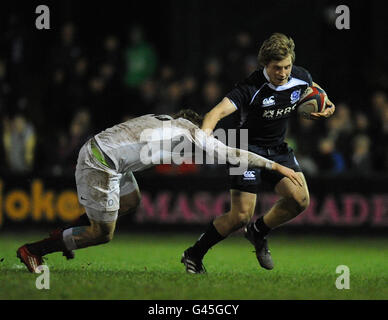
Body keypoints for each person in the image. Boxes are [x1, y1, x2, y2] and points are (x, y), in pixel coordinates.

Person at [16, 109, 303, 273]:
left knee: (131, 201)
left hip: (107, 152)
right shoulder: (192, 135)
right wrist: (277, 168)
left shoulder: (166, 118)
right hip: (100, 162)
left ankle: (66, 237)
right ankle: (34, 250)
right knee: (102, 234)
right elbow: (235, 153)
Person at [181, 33, 335, 274]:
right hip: (245, 148)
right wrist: (204, 137)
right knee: (240, 216)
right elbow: (216, 113)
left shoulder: (301, 76)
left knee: (300, 200)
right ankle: (194, 253)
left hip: (278, 148)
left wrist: (328, 106)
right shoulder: (249, 88)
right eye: (277, 68)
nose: (283, 73)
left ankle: (258, 232)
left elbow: (317, 92)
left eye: (287, 67)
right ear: (265, 65)